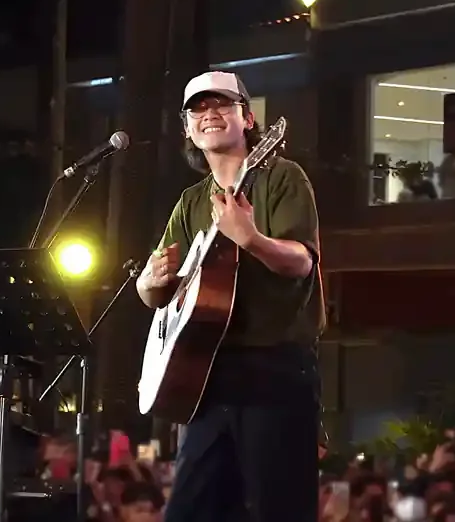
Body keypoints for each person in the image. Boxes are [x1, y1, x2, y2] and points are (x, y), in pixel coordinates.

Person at [136, 71, 324, 521]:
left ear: (248, 118)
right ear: (187, 129)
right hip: (205, 377)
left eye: (222, 104)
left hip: (274, 370)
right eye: (197, 109)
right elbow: (162, 293)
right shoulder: (189, 202)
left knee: (277, 510)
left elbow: (302, 261)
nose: (209, 115)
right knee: (189, 511)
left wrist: (251, 238)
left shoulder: (281, 177)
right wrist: (147, 284)